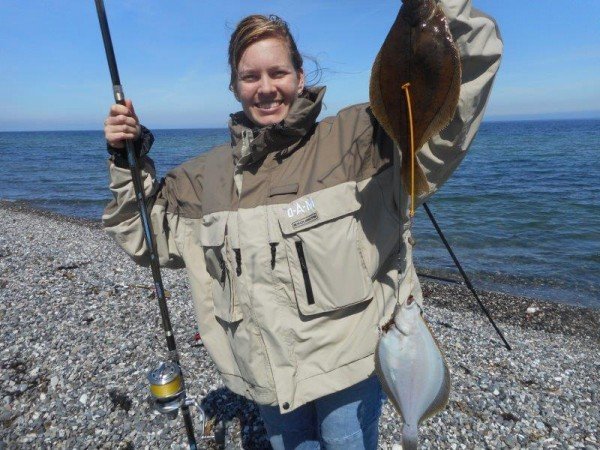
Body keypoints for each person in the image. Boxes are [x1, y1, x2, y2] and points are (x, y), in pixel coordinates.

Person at [103, 1, 502, 448]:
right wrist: (127, 162)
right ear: (234, 86)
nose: (266, 88)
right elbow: (145, 239)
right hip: (267, 381)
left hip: (348, 372)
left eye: (278, 73)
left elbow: (462, 89)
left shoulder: (362, 138)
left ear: (300, 75)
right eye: (250, 77)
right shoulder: (202, 179)